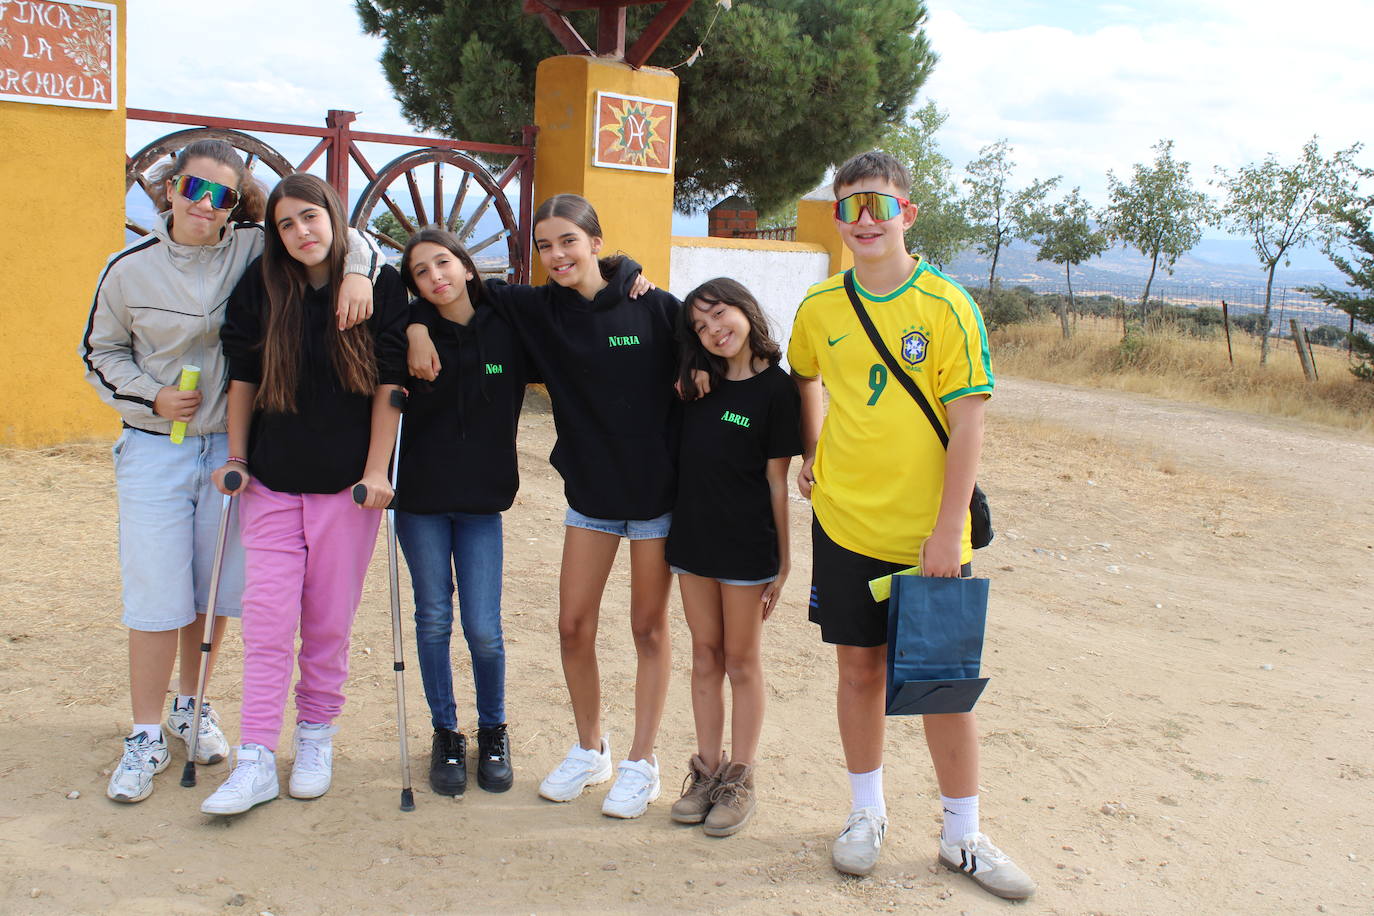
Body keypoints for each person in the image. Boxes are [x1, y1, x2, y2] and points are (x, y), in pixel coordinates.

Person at [79, 140, 380, 804]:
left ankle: (194, 705)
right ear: (169, 188)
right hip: (159, 444)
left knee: (213, 593)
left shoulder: (253, 247)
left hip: (229, 451)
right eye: (192, 188)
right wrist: (149, 396)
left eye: (220, 195)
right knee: (159, 594)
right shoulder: (128, 269)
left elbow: (334, 230)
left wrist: (358, 270)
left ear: (235, 205)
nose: (202, 204)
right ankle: (146, 733)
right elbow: (99, 352)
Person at [787, 151, 1035, 899]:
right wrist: (813, 448)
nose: (865, 221)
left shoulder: (948, 306)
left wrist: (944, 529)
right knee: (858, 673)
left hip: (929, 536)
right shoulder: (821, 307)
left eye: (879, 205)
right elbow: (803, 374)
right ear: (836, 218)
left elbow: (968, 429)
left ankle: (963, 835)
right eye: (851, 206)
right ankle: (866, 815)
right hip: (843, 525)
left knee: (940, 687)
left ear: (907, 215)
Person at [406, 194, 680, 818]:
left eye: (568, 242)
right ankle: (592, 749)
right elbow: (443, 287)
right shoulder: (531, 308)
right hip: (590, 494)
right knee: (572, 626)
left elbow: (710, 366)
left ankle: (642, 762)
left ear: (594, 241)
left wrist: (631, 269)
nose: (556, 256)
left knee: (647, 628)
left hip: (657, 497)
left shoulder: (655, 306)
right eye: (545, 246)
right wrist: (418, 325)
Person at [199, 173, 407, 816]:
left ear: (333, 217)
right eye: (285, 224)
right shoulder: (263, 285)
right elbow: (243, 375)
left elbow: (391, 383)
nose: (300, 233)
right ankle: (257, 754)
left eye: (310, 217)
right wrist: (236, 457)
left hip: (346, 492)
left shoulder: (377, 283)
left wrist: (377, 471)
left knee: (326, 625)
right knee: (266, 622)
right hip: (270, 482)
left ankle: (315, 737)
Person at [393, 228, 536, 797]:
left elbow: (571, 298)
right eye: (422, 273)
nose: (436, 277)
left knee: (484, 630)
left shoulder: (508, 323)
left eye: (443, 263)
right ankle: (446, 733)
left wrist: (628, 274)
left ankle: (493, 730)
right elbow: (378, 296)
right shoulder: (405, 332)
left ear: (468, 266)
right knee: (433, 619)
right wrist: (412, 323)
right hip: (421, 503)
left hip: (482, 505)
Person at [664, 279, 800, 837]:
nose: (714, 330)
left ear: (746, 311)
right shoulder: (695, 385)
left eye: (720, 315)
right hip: (693, 541)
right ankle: (707, 771)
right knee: (704, 656)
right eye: (700, 325)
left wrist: (785, 562)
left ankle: (741, 777)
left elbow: (777, 481)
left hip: (747, 547)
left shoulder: (779, 390)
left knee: (741, 661)